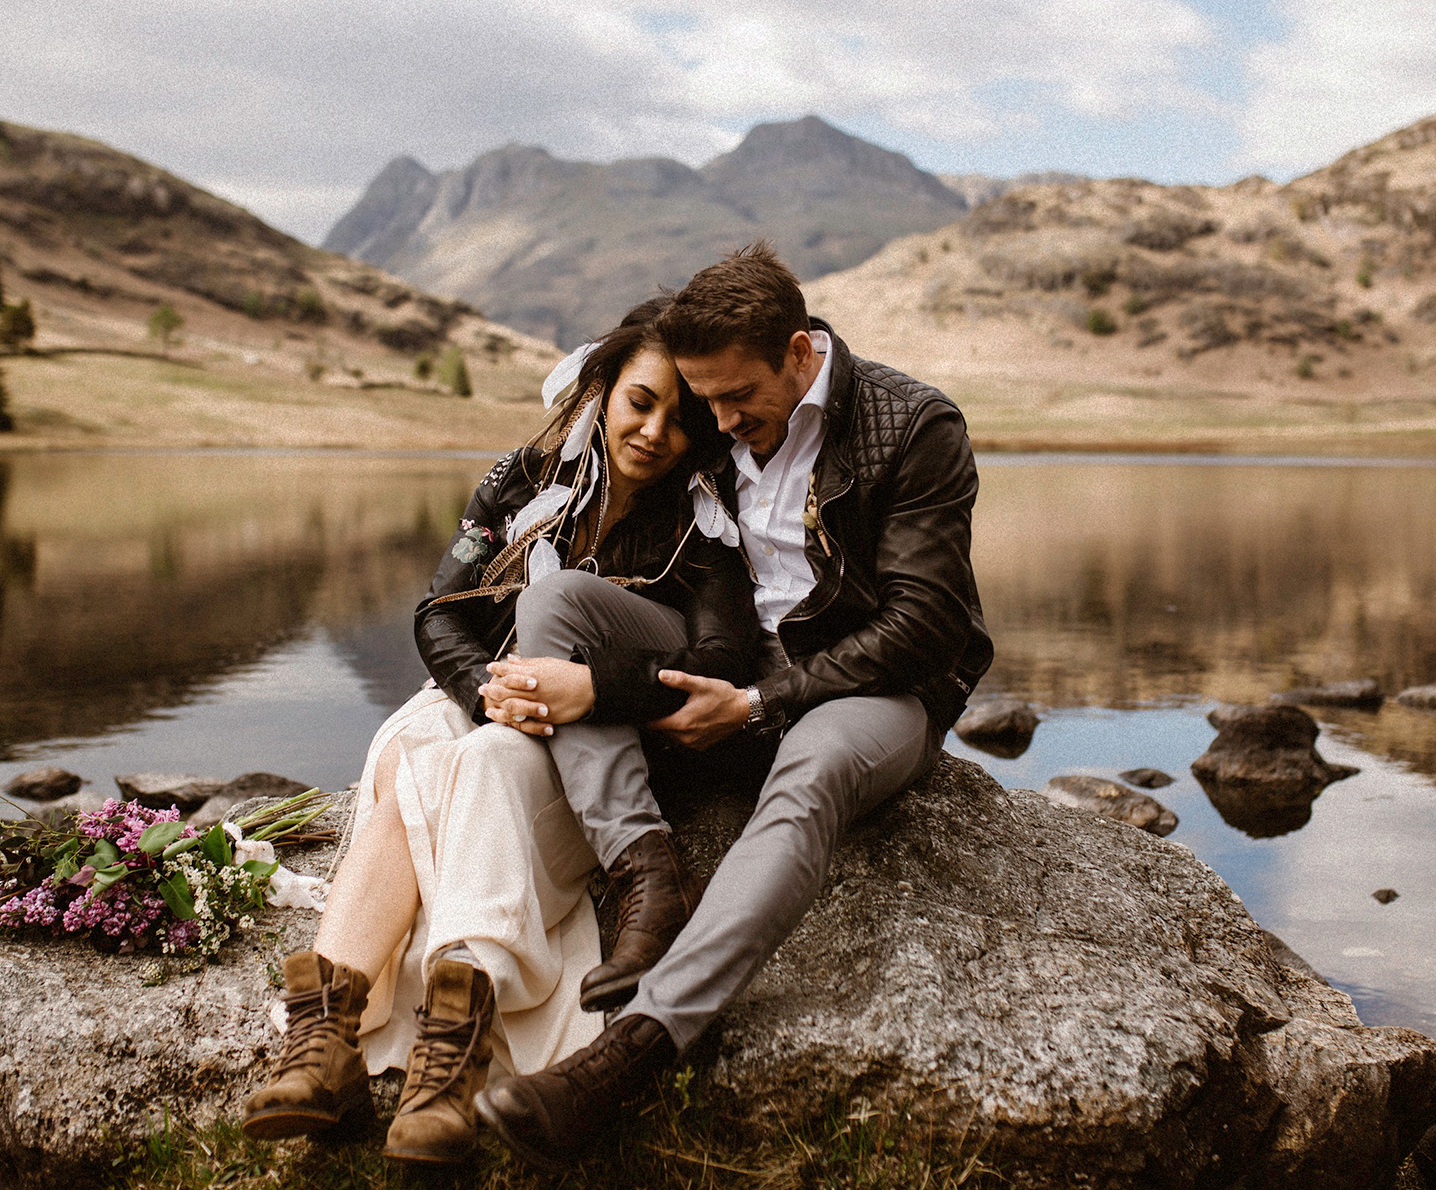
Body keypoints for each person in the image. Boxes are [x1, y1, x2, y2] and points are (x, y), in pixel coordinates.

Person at [474, 241, 994, 1170]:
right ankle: (648, 877)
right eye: (702, 397)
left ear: (800, 353)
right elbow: (600, 410)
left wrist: (761, 701)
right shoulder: (722, 400)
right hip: (728, 657)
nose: (715, 420)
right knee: (555, 602)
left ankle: (636, 1048)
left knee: (817, 767)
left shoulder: (913, 426)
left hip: (872, 682)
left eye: (733, 399)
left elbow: (931, 625)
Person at [238, 298, 758, 1165]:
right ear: (601, 385)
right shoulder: (522, 475)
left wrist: (582, 692)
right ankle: (322, 1039)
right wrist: (492, 693)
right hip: (495, 691)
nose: (656, 432)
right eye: (641, 401)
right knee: (415, 746)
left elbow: (721, 657)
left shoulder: (704, 519)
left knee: (478, 763)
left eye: (681, 417)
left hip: (606, 735)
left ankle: (446, 1064)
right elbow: (440, 611)